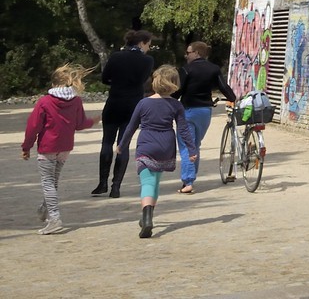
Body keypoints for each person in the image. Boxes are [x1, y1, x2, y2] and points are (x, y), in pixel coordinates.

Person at [117, 64, 197, 239]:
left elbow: (131, 127)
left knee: (147, 182)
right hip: (165, 145)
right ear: (174, 83)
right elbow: (183, 129)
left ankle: (147, 218)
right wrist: (192, 149)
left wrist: (122, 145)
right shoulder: (176, 105)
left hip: (147, 144)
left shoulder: (143, 103)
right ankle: (148, 216)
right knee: (155, 182)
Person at [20, 64, 99, 235]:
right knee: (53, 181)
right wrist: (93, 121)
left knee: (48, 182)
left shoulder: (45, 102)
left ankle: (54, 218)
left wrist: (26, 147)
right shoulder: (76, 101)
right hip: (65, 147)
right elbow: (80, 124)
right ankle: (45, 208)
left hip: (48, 147)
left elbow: (33, 127)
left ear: (53, 83)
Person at [95, 29, 154, 197]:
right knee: (123, 144)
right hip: (133, 104)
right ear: (142, 43)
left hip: (114, 101)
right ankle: (116, 186)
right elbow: (142, 80)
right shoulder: (147, 60)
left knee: (107, 142)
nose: (148, 48)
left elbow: (105, 78)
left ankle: (102, 183)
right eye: (148, 45)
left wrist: (117, 81)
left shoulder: (116, 57)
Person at [175, 41, 236, 193]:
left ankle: (188, 181)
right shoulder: (214, 68)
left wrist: (166, 101)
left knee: (186, 145)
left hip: (188, 111)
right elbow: (223, 86)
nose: (186, 56)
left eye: (188, 52)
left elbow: (179, 90)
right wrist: (233, 98)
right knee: (195, 144)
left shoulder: (186, 69)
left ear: (197, 53)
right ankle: (191, 177)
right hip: (204, 112)